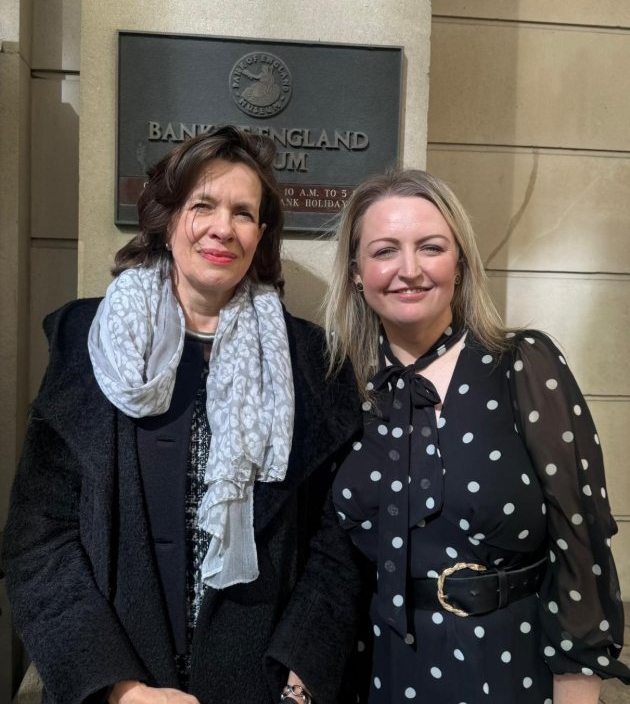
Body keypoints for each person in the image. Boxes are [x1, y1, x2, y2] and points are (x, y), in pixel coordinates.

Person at [3, 127, 362, 704]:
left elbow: (336, 541)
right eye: (203, 205)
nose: (224, 227)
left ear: (261, 233)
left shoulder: (311, 363)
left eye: (243, 213)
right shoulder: (87, 344)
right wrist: (117, 689)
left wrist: (301, 681)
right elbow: (38, 540)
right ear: (168, 219)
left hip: (262, 690)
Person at [325, 169, 630, 704]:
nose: (409, 269)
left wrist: (577, 685)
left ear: (460, 264)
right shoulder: (342, 387)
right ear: (355, 272)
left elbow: (578, 543)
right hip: (384, 669)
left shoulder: (523, 366)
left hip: (510, 663)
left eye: (431, 247)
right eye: (384, 251)